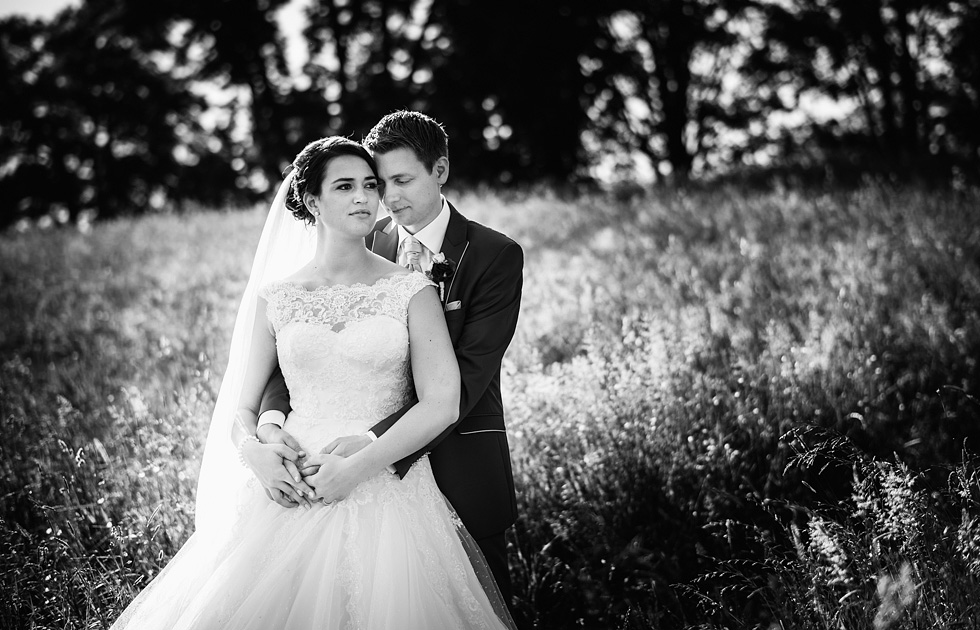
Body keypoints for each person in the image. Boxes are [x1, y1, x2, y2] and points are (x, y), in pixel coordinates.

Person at [110, 137, 517, 629]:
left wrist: (359, 465)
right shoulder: (277, 296)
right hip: (291, 480)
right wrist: (256, 448)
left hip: (386, 483)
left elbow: (444, 400)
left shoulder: (413, 288)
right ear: (311, 200)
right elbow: (248, 403)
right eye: (347, 186)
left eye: (372, 185)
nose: (367, 198)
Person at [255, 111, 524, 604]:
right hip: (330, 461)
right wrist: (271, 425)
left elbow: (465, 377)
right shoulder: (360, 235)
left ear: (439, 171)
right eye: (382, 183)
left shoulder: (494, 255)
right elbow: (298, 342)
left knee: (472, 602)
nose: (389, 197)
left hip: (457, 454)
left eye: (402, 180)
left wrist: (368, 445)